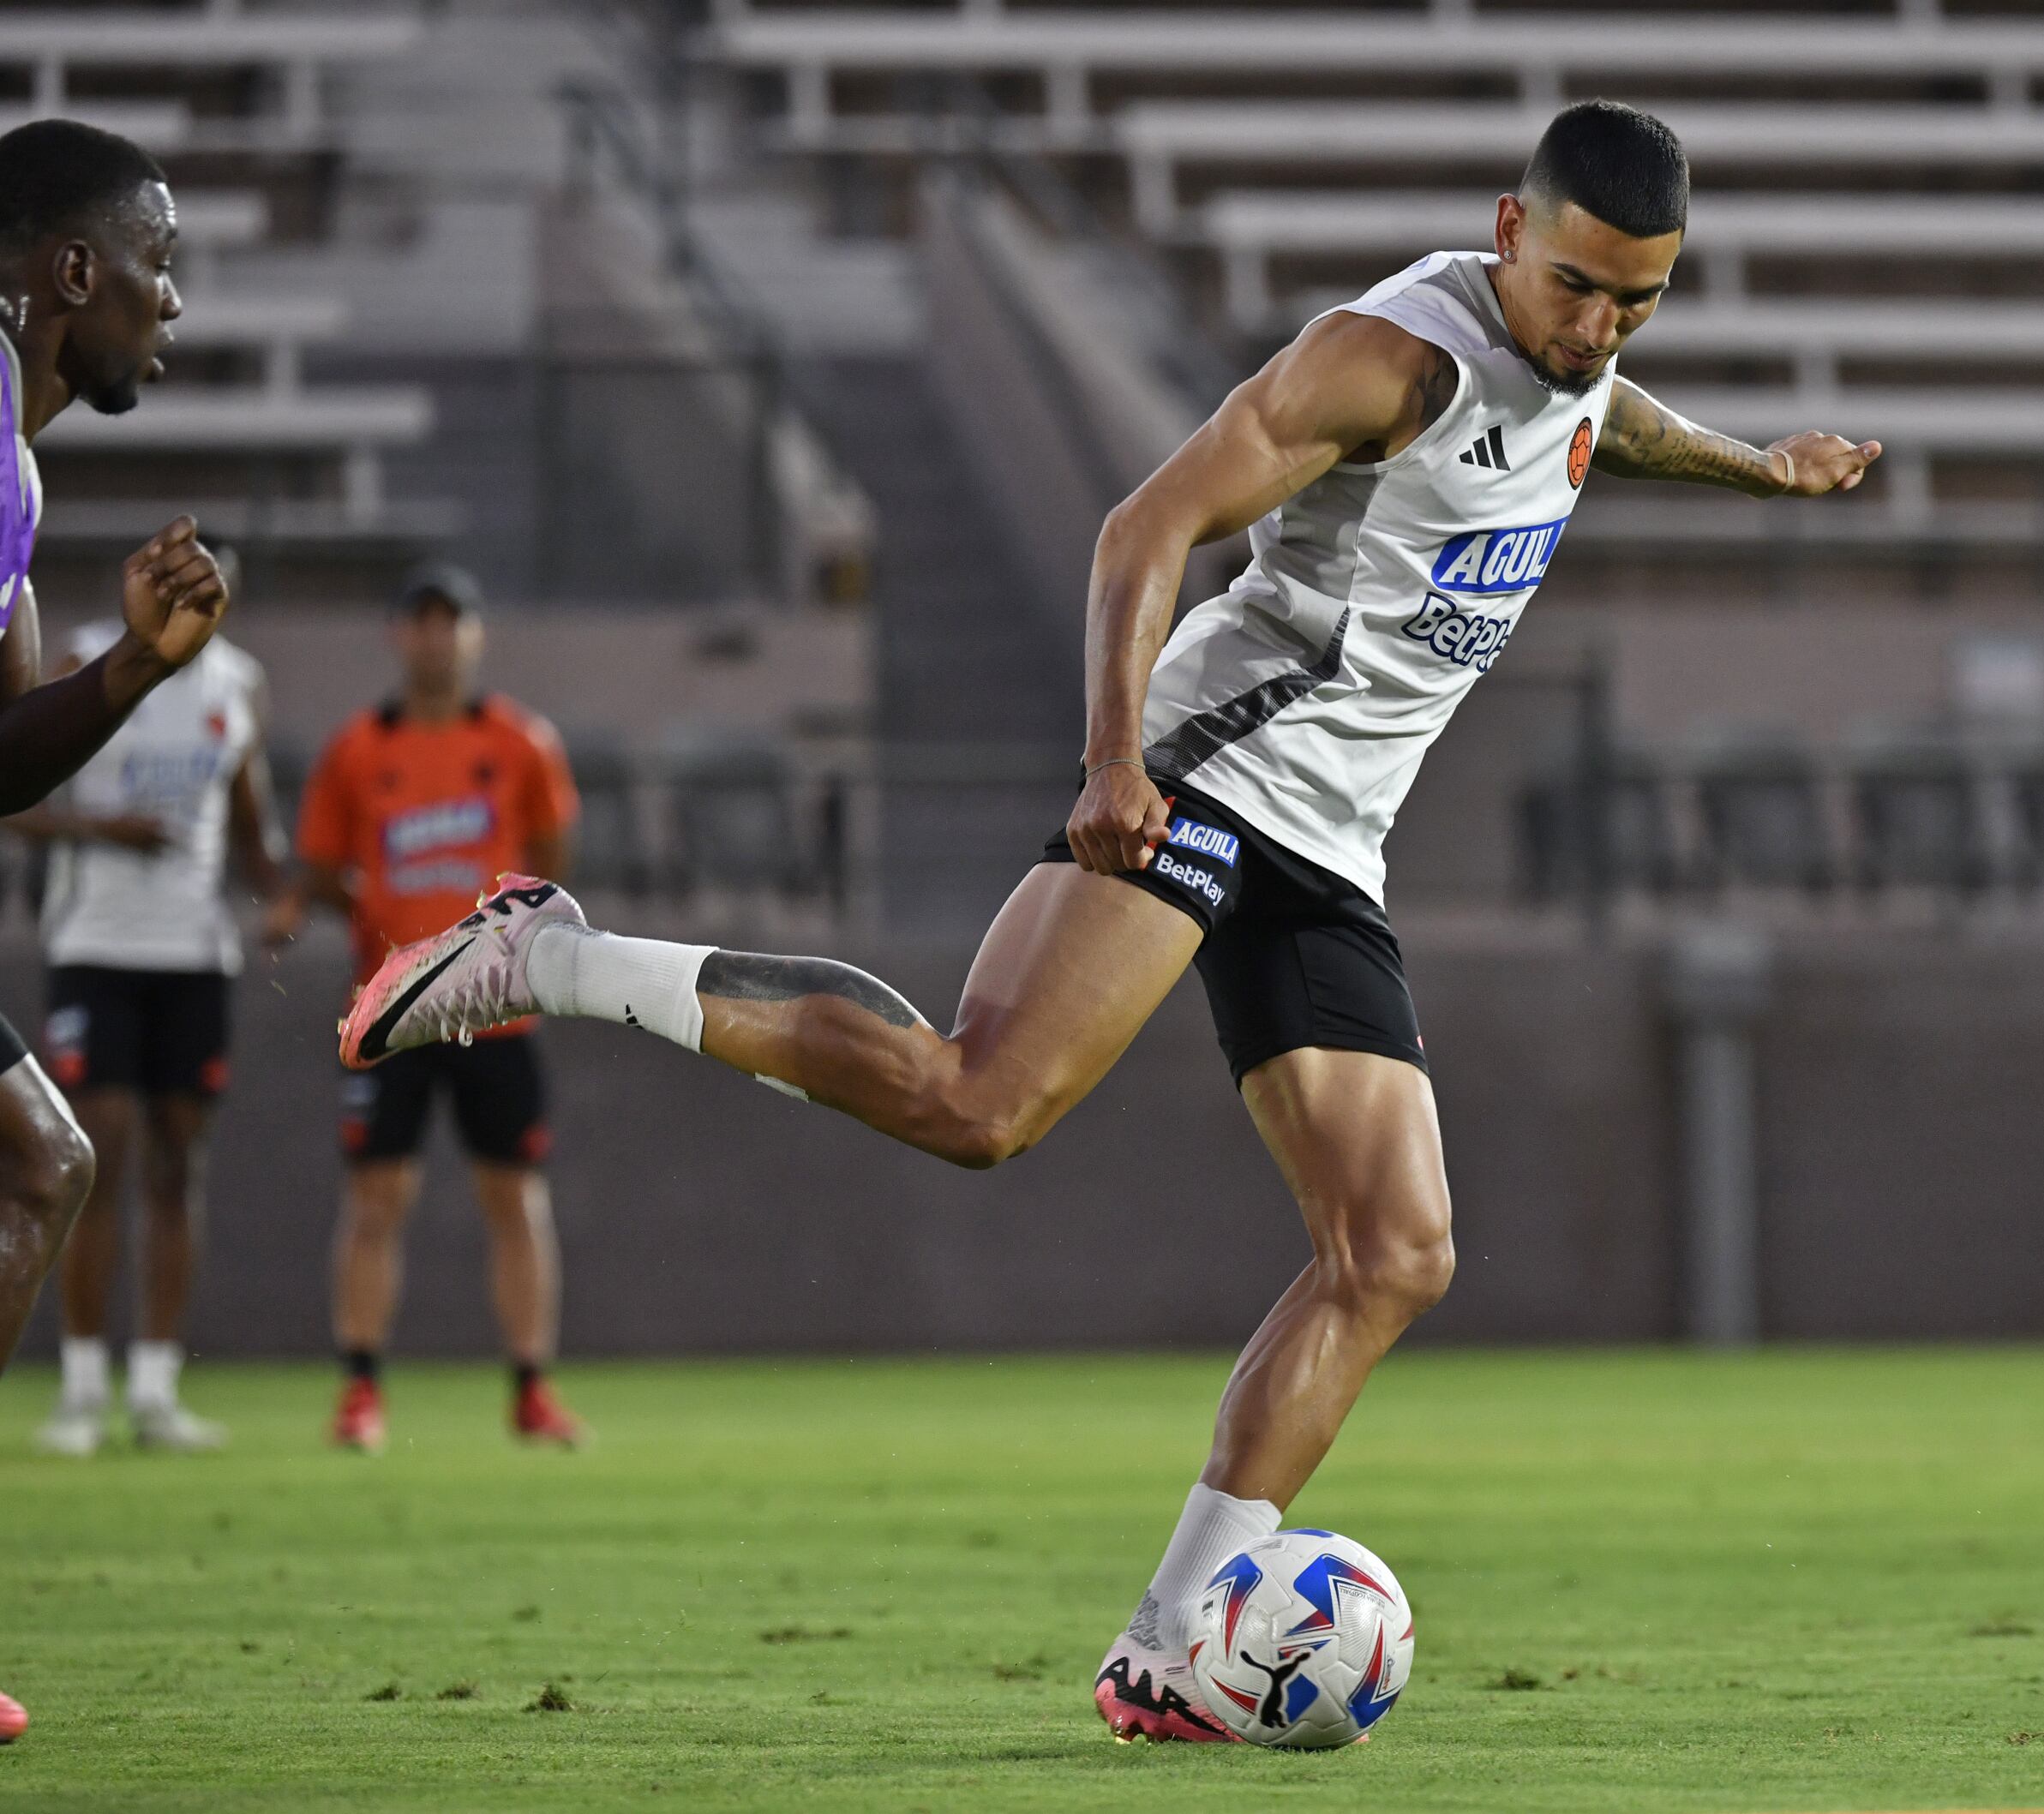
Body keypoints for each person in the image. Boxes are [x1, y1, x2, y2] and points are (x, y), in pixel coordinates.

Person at [336, 101, 1877, 1739]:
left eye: (1638, 300)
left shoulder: (1570, 361)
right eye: (1577, 287)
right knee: (974, 1104)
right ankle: (548, 948)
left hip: (1333, 847)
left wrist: (1750, 465)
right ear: (1509, 229)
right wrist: (1114, 755)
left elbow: (1596, 419)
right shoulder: (1386, 364)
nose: (1598, 329)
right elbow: (1142, 527)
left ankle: (1162, 1643)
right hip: (1208, 772)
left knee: (1396, 1249)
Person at [0, 116, 235, 1743]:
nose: (174, 306)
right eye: (158, 266)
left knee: (43, 1162)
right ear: (71, 271)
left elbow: (6, 751)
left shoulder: (10, 463)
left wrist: (133, 670)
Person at [267, 565, 585, 1453]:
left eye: (452, 622)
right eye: (421, 622)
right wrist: (330, 905)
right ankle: (361, 1386)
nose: (436, 638)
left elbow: (555, 853)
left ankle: (530, 1385)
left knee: (513, 1195)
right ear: (396, 636)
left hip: (496, 1008)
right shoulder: (357, 750)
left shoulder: (521, 742)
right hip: (392, 1006)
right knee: (377, 1196)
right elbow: (323, 861)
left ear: (474, 636)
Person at [11, 559, 279, 1455]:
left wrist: (277, 889)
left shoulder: (239, 683)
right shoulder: (90, 658)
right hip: (97, 943)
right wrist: (101, 828)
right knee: (98, 1154)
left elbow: (247, 814)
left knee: (178, 1164)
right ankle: (84, 1385)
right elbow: (13, 794)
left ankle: (157, 1384)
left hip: (195, 952)